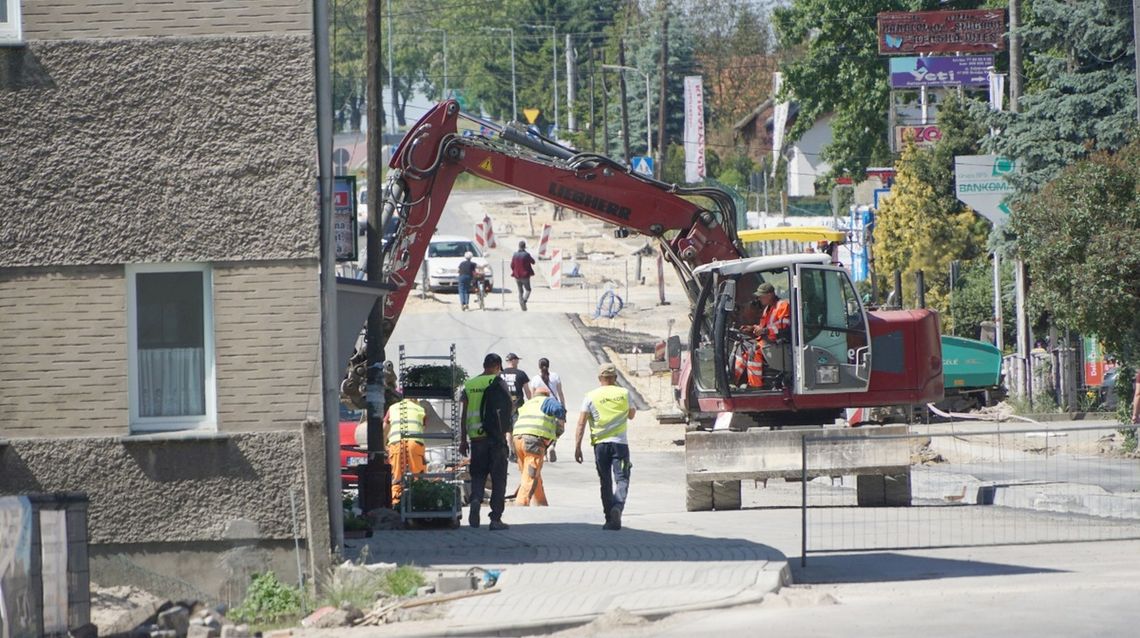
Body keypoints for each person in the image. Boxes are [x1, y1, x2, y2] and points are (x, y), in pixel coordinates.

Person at [575, 363, 636, 530]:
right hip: (620, 445)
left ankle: (609, 519)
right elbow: (631, 415)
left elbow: (581, 423)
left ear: (599, 378)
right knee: (622, 478)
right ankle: (617, 506)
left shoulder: (590, 396)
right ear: (615, 378)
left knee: (605, 481)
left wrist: (577, 447)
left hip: (600, 445)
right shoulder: (624, 393)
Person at [460, 353, 514, 530]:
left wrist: (463, 439)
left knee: (478, 474)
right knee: (498, 479)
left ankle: (475, 499)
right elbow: (507, 410)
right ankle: (495, 519)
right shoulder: (498, 383)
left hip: (476, 439)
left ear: (484, 365)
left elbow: (464, 414)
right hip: (496, 439)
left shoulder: (470, 384)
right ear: (498, 365)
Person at [512, 386, 566, 506]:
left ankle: (541, 502)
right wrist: (560, 428)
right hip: (533, 440)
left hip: (517, 439)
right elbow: (560, 410)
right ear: (546, 395)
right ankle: (521, 503)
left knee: (528, 471)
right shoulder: (547, 401)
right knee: (531, 473)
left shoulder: (527, 404)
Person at [734, 282, 791, 388]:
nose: (759, 299)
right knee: (742, 347)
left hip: (777, 344)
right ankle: (734, 380)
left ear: (769, 295)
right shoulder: (768, 308)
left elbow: (784, 325)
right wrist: (752, 328)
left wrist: (764, 331)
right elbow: (763, 326)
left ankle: (755, 386)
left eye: (761, 296)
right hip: (766, 341)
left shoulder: (783, 305)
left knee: (754, 350)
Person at [382, 395, 427, 507]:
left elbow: (384, 429)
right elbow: (423, 428)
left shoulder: (392, 408)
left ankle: (395, 505)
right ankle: (419, 504)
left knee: (396, 477)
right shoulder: (420, 409)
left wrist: (383, 447)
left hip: (396, 444)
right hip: (415, 444)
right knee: (418, 477)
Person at [528, 358, 566, 462]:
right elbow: (560, 393)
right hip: (554, 406)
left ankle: (544, 453)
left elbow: (532, 396)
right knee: (554, 429)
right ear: (549, 365)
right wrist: (563, 406)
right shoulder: (555, 376)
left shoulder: (535, 379)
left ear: (539, 366)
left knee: (542, 430)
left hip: (540, 407)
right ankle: (552, 445)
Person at [500, 353, 531, 462]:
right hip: (518, 405)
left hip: (504, 406)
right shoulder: (521, 374)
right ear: (512, 361)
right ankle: (516, 452)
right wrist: (531, 403)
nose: (518, 362)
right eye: (517, 360)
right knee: (517, 429)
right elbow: (527, 391)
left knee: (508, 430)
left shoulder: (500, 374)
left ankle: (511, 450)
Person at [511, 240, 536, 311]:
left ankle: (523, 307)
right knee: (528, 289)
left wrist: (515, 271)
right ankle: (524, 301)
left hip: (516, 276)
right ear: (524, 247)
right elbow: (533, 262)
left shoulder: (515, 254)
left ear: (519, 246)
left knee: (520, 291)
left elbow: (512, 265)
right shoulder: (526, 255)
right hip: (525, 276)